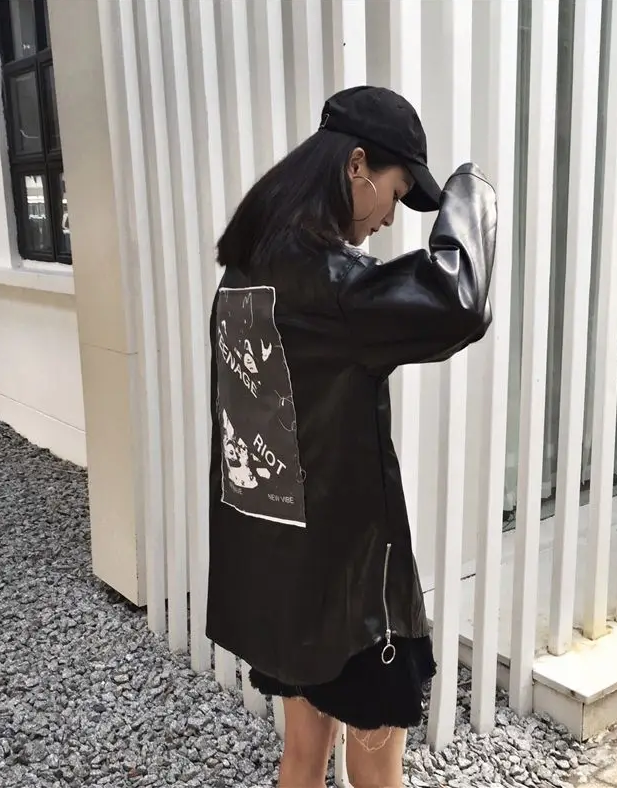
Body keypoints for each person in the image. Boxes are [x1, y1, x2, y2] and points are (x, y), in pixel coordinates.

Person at [206, 85, 497, 788]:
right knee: (377, 772)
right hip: (349, 595)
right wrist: (471, 191)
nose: (392, 216)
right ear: (357, 165)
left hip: (278, 576)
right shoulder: (333, 285)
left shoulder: (245, 272)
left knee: (302, 755)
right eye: (396, 193)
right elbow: (458, 301)